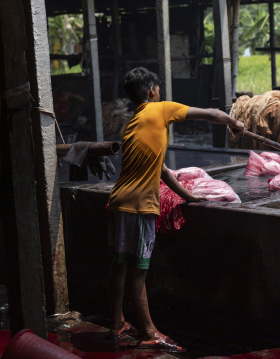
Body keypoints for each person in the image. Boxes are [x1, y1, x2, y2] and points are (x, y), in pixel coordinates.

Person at [106, 67, 245, 351]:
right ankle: (148, 332)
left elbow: (162, 170)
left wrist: (189, 196)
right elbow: (210, 113)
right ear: (151, 92)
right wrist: (234, 122)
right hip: (141, 205)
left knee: (119, 265)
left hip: (119, 201)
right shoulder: (160, 110)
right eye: (159, 88)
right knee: (139, 271)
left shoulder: (133, 123)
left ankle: (116, 323)